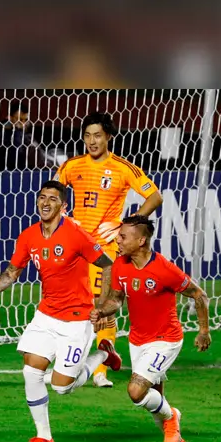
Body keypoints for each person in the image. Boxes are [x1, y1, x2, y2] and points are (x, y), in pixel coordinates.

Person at [0, 180, 121, 442]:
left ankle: (104, 354)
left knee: (62, 387)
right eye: (42, 197)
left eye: (53, 199)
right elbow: (12, 272)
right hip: (46, 315)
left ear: (63, 206)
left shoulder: (76, 234)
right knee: (31, 371)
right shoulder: (28, 235)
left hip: (77, 319)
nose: (45, 203)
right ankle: (44, 438)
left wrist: (102, 305)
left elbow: (107, 265)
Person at [91, 215, 211, 442]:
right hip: (138, 341)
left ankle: (173, 417)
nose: (118, 240)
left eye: (123, 236)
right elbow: (116, 299)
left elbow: (199, 294)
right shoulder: (120, 264)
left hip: (165, 340)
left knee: (136, 391)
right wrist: (102, 311)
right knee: (156, 404)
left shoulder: (164, 269)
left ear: (141, 240)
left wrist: (203, 330)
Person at [54, 111, 163, 388]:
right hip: (74, 248)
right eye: (87, 136)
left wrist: (125, 224)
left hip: (104, 250)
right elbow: (53, 194)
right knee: (67, 305)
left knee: (102, 306)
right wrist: (65, 217)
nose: (92, 141)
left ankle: (100, 369)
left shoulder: (123, 168)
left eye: (97, 136)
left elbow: (155, 196)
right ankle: (67, 362)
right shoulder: (71, 166)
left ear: (108, 137)